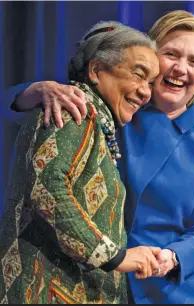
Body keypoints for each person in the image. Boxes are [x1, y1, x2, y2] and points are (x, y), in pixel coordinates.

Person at [6, 10, 194, 304]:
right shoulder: (117, 105)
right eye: (171, 54)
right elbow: (19, 114)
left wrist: (170, 258)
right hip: (97, 282)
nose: (181, 68)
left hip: (168, 290)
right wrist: (36, 90)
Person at [0, 20, 161, 304]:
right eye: (139, 75)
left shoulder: (99, 123)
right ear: (96, 70)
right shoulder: (75, 108)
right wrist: (115, 257)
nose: (146, 92)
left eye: (150, 82)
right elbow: (47, 190)